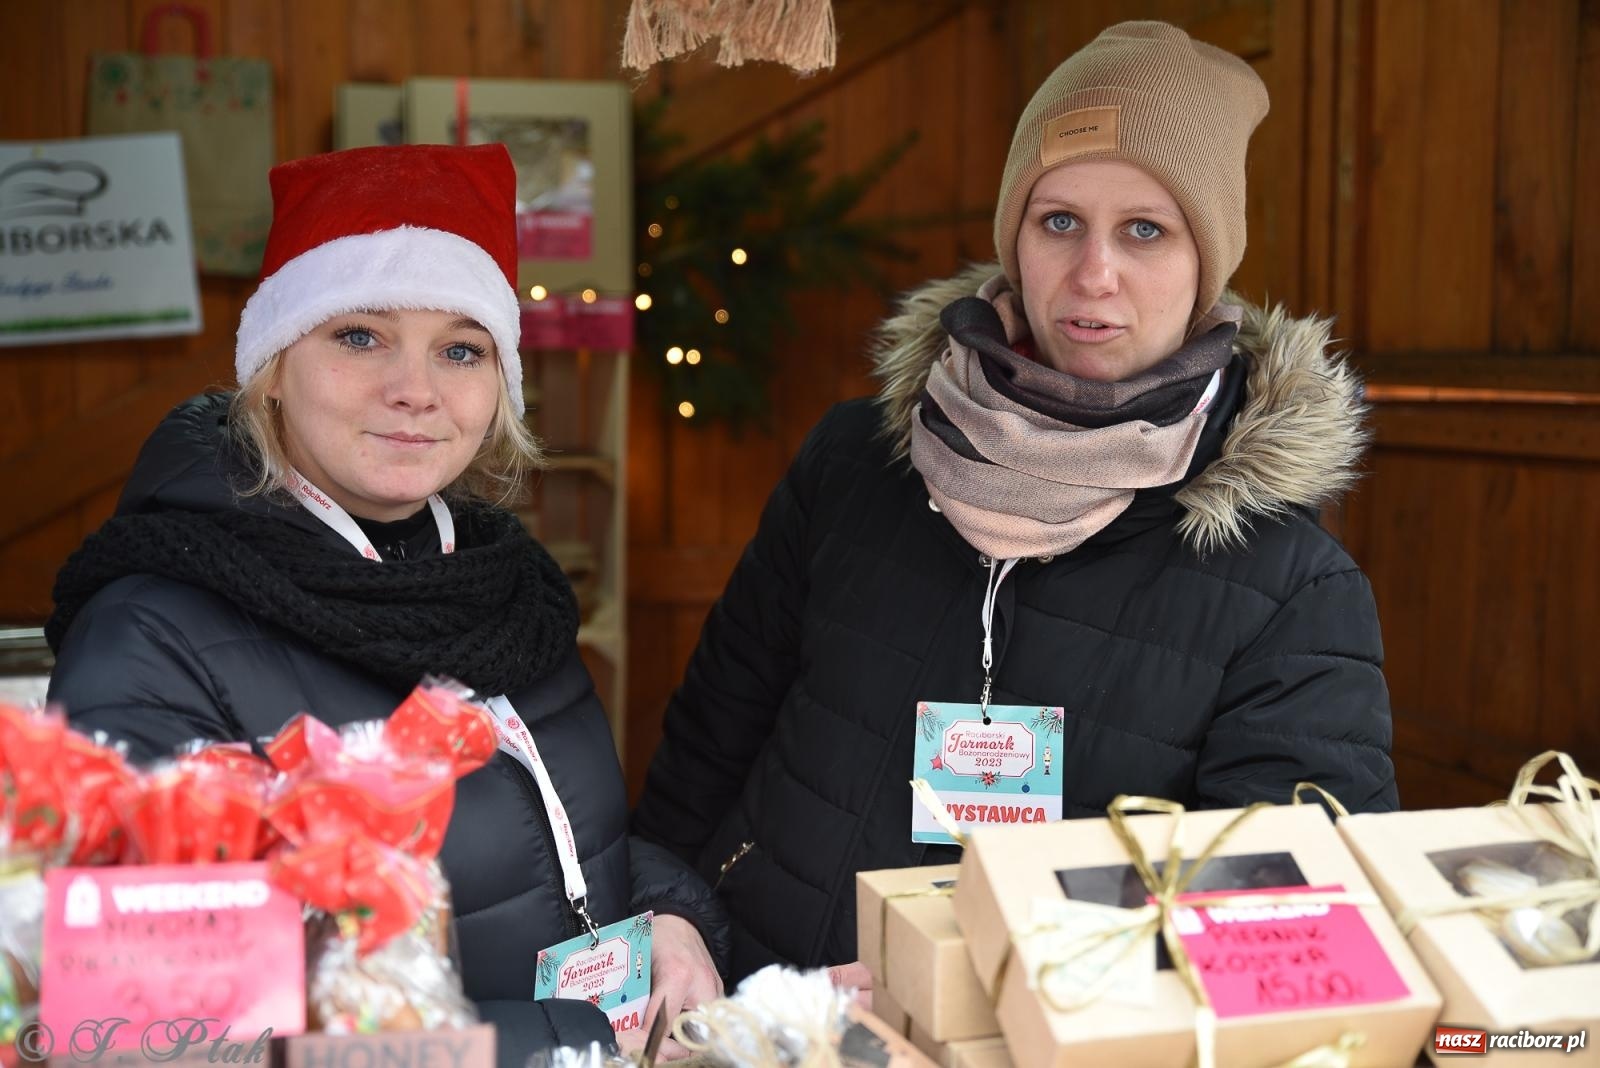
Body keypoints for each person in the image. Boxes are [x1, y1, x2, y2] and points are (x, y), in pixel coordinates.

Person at [633, 21, 1398, 985]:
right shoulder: (856, 463)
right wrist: (667, 910)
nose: (1094, 275)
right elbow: (707, 744)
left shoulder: (1287, 586)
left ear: (1209, 262)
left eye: (1146, 230)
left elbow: (1279, 945)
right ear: (1016, 237)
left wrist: (963, 1000)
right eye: (1059, 221)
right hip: (764, 1010)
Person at [46, 144, 726, 1061]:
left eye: (460, 349)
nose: (415, 391)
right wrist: (569, 1042)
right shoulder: (150, 640)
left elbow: (543, 849)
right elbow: (157, 1037)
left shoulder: (504, 589)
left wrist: (667, 916)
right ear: (272, 365)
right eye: (359, 336)